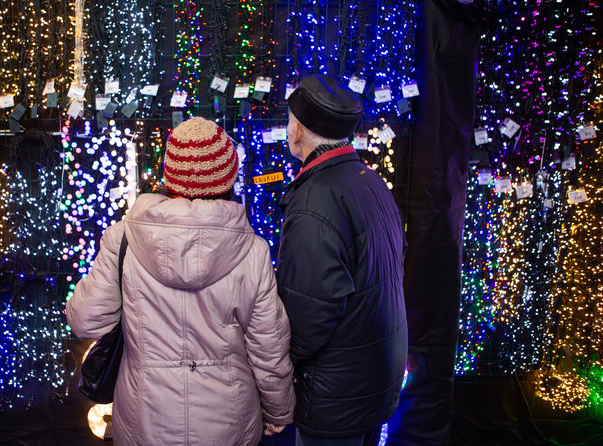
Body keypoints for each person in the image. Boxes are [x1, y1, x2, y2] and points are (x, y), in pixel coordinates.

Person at [67, 117, 295, 446]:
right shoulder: (253, 250)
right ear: (227, 177)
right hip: (227, 419)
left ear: (169, 174)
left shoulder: (124, 239)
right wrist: (279, 410)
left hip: (146, 418)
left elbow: (84, 319)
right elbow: (268, 347)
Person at [276, 74, 408, 446]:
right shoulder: (369, 180)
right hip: (375, 378)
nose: (288, 129)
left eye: (289, 120)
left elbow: (310, 312)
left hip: (336, 394)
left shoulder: (315, 200)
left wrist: (277, 368)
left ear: (298, 129)